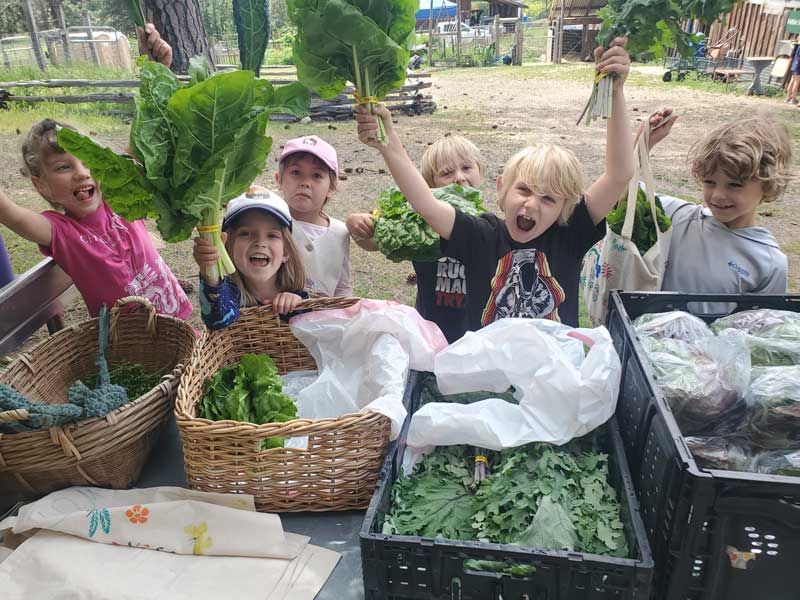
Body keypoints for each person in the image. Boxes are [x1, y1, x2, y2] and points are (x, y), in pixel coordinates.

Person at [356, 39, 633, 330]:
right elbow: (425, 203)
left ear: (565, 207)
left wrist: (615, 92)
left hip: (552, 371)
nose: (531, 204)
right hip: (487, 371)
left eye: (549, 199)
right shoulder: (481, 236)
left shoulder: (570, 234)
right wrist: (387, 145)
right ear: (501, 187)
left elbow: (619, 175)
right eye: (524, 189)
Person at [0, 25, 192, 320]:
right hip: (131, 353)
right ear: (42, 187)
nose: (81, 173)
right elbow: (11, 214)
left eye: (88, 161)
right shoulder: (61, 233)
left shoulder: (121, 195)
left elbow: (144, 137)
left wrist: (156, 72)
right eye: (64, 167)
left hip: (179, 328)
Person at [346, 135, 485, 343]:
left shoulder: (489, 225)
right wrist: (356, 225)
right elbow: (372, 242)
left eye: (467, 168)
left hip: (478, 333)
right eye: (447, 173)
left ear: (480, 172)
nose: (459, 177)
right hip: (430, 330)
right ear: (429, 185)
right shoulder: (416, 223)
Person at [643, 108, 792, 294]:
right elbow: (623, 190)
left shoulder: (769, 262)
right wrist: (643, 144)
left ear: (768, 185)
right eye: (709, 182)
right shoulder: (678, 217)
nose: (717, 195)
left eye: (734, 185)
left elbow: (764, 320)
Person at [193, 189, 307, 330]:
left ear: (286, 251)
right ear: (228, 247)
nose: (260, 242)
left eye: (272, 235)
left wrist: (299, 305)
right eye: (245, 234)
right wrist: (209, 272)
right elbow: (217, 321)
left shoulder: (302, 290)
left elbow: (318, 328)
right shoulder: (228, 294)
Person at [274, 135, 352, 297]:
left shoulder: (340, 232)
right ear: (279, 180)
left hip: (326, 320)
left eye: (316, 175)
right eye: (296, 172)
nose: (305, 182)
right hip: (278, 320)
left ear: (331, 187)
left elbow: (342, 286)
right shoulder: (271, 225)